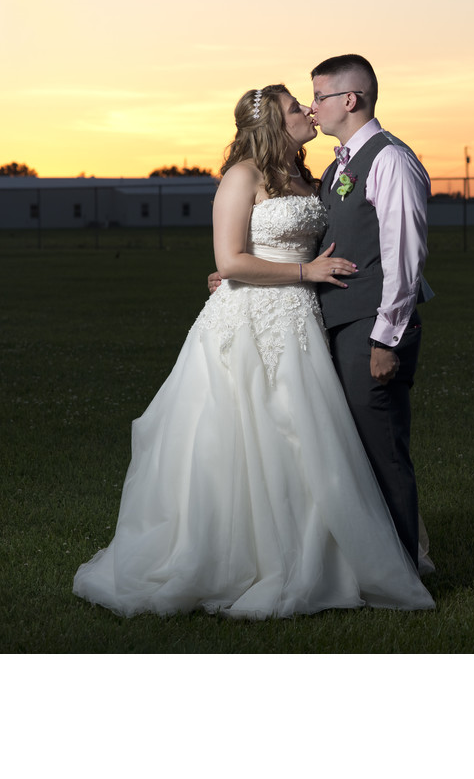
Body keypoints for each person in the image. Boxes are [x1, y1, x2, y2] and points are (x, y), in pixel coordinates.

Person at [73, 84, 434, 618]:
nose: (308, 111)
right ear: (273, 124)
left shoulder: (308, 178)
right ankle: (244, 557)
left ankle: (333, 552)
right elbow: (234, 257)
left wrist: (290, 271)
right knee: (246, 435)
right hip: (250, 321)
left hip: (302, 320)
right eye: (297, 107)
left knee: (311, 439)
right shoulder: (242, 176)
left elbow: (306, 242)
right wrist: (293, 271)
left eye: (311, 101)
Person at [308, 54, 433, 568]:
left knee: (381, 449)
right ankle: (366, 563)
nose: (312, 108)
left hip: (372, 329)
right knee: (351, 451)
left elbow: (404, 257)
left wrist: (386, 340)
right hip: (341, 325)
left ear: (350, 100)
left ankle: (402, 571)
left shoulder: (390, 160)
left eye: (319, 97)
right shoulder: (337, 164)